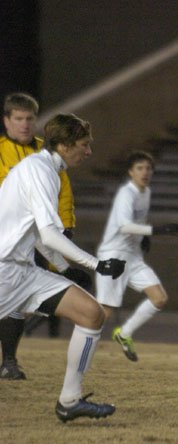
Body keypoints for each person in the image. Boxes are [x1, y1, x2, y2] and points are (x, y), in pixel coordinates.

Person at [0, 113, 126, 421]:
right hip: (5, 271)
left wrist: (62, 268)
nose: (88, 152)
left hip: (20, 271)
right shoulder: (40, 170)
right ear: (64, 145)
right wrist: (96, 264)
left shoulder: (45, 169)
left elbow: (36, 233)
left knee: (91, 313)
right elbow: (48, 233)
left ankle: (69, 401)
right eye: (84, 144)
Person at [0, 92, 87, 380]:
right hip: (11, 241)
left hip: (39, 237)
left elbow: (63, 195)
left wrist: (66, 227)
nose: (25, 125)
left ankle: (10, 360)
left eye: (30, 119)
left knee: (24, 296)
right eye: (19, 119)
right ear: (7, 121)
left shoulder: (47, 155)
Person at [96, 150, 178, 362]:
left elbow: (137, 223)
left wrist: (144, 237)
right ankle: (80, 346)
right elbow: (125, 226)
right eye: (139, 168)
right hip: (114, 255)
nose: (145, 172)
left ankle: (124, 334)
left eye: (148, 168)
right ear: (130, 172)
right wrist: (156, 231)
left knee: (159, 298)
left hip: (133, 257)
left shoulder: (146, 192)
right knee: (104, 312)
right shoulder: (127, 193)